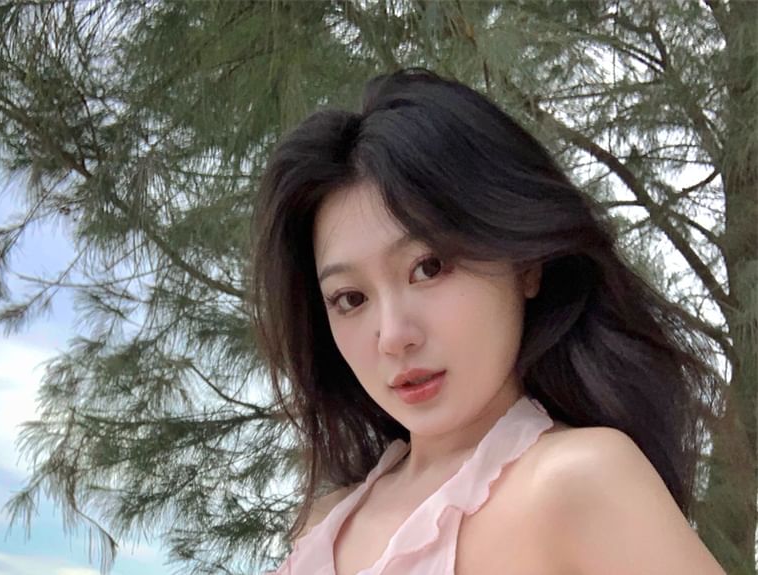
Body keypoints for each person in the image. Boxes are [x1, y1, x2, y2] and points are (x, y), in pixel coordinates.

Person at [249, 69, 725, 574]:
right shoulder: (323, 524)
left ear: (525, 265)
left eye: (429, 267)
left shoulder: (578, 481)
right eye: (350, 298)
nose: (394, 336)